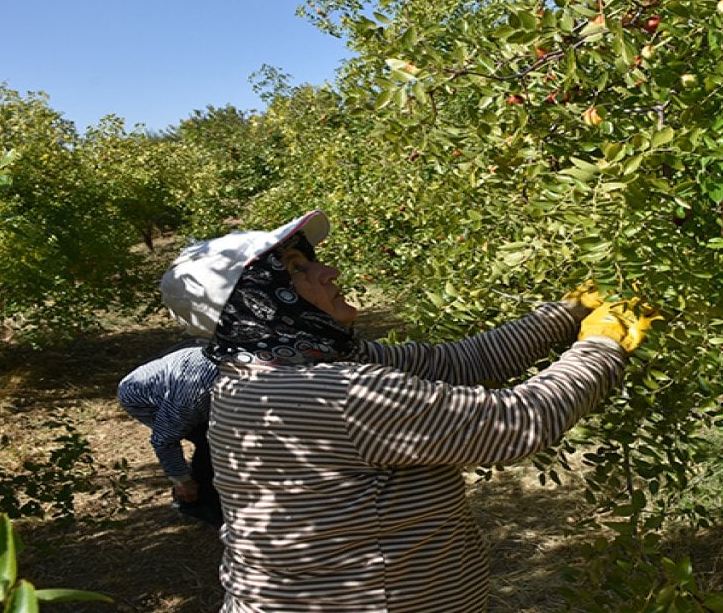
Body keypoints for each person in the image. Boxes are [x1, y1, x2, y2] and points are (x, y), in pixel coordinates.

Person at [157, 210, 652, 612]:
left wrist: (566, 312)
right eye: (294, 268)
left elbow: (461, 361)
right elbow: (519, 420)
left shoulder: (262, 372)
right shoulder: (334, 392)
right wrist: (601, 347)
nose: (327, 272)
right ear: (259, 301)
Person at [116, 339, 222, 526]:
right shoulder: (192, 395)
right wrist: (181, 480)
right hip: (145, 396)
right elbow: (164, 440)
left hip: (179, 370)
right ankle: (195, 501)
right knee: (210, 442)